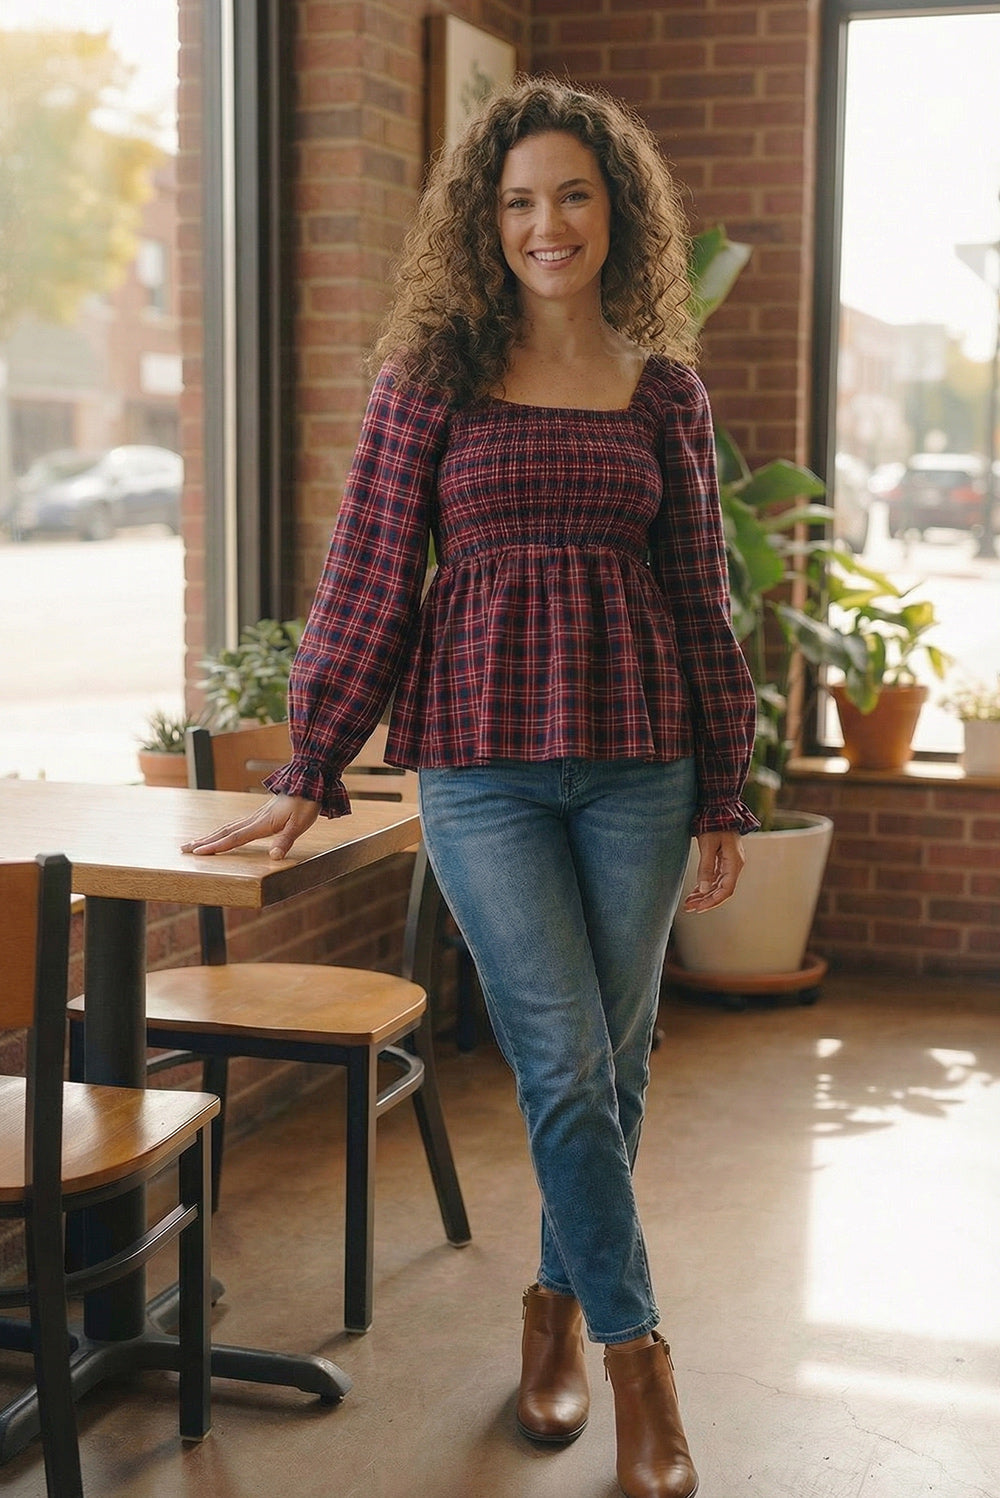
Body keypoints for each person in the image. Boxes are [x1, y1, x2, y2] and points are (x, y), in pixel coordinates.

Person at [183, 78, 757, 1498]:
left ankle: (550, 1314)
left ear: (613, 207)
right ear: (482, 224)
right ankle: (641, 1363)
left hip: (641, 763)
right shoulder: (429, 382)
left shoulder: (664, 387)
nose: (544, 224)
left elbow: (703, 595)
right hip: (486, 770)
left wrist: (727, 785)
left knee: (614, 1069)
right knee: (561, 1061)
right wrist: (310, 760)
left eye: (569, 194)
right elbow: (372, 576)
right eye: (515, 203)